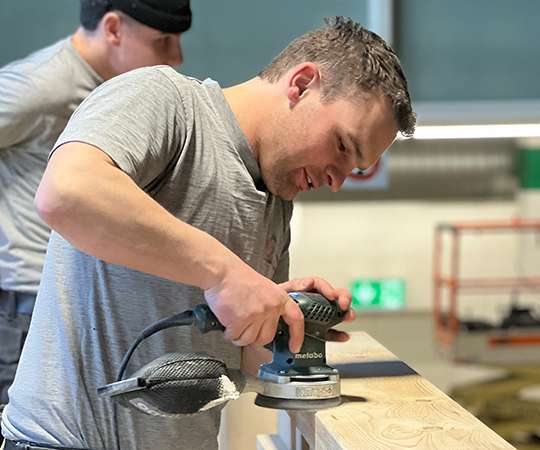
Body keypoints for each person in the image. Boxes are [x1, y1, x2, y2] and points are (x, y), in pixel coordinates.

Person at [2, 16, 416, 450]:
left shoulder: (276, 198)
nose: (337, 181)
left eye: (356, 168)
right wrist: (225, 274)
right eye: (343, 145)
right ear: (302, 84)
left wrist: (283, 321)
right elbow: (67, 193)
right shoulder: (165, 102)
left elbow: (246, 358)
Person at [0, 0, 190, 415]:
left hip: (85, 299)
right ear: (113, 28)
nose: (177, 57)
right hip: (31, 305)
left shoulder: (118, 89)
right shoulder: (43, 84)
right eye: (163, 40)